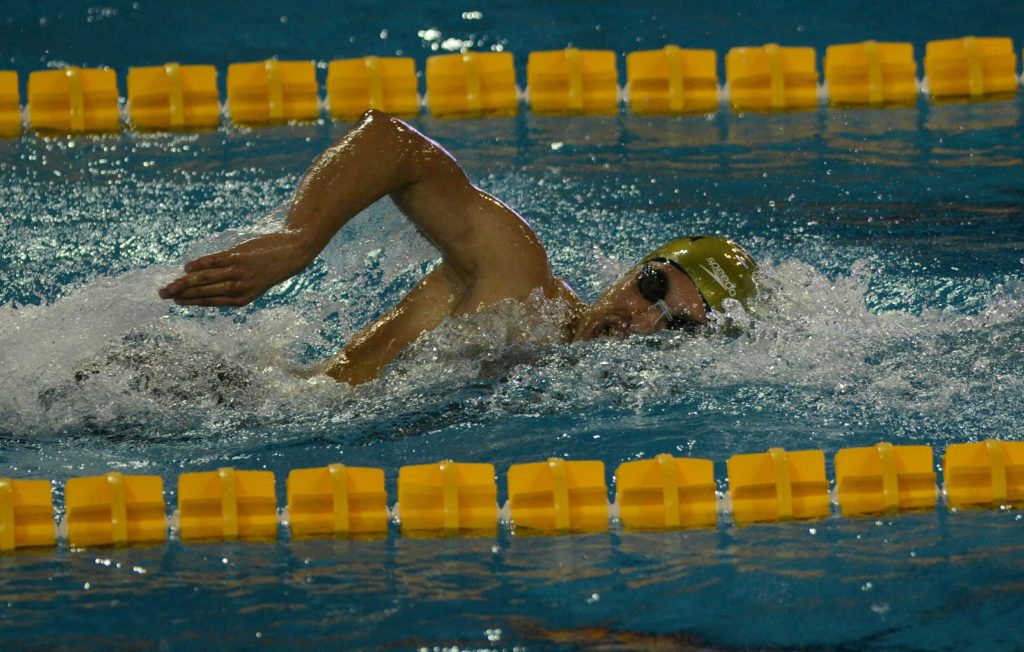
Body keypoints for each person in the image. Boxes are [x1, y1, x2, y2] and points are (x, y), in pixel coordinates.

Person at [159, 110, 758, 384]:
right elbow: (394, 143)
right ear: (631, 270)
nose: (641, 317)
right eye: (652, 286)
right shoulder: (521, 285)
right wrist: (300, 240)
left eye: (677, 326)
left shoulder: (575, 382)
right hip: (230, 398)